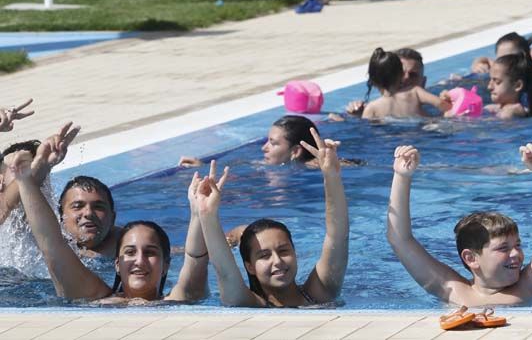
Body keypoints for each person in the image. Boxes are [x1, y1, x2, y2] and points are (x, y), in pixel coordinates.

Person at [11, 125, 217, 302]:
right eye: (129, 252)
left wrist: (201, 214)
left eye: (151, 252)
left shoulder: (182, 298)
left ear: (165, 266)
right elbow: (52, 245)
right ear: (117, 265)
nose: (139, 260)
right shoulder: (95, 298)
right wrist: (26, 181)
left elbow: (196, 257)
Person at [386, 140, 532, 306]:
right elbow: (400, 240)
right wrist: (402, 177)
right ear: (471, 258)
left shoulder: (530, 285)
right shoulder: (453, 290)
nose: (516, 254)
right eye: (503, 248)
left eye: (517, 245)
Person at [198, 129, 348, 307]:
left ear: (295, 253)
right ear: (249, 266)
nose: (277, 261)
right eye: (264, 255)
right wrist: (207, 214)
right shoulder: (246, 303)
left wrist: (331, 176)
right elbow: (224, 270)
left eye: (284, 251)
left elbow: (337, 237)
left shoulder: (321, 291)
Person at [179, 114, 320, 168]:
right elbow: (241, 164)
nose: (264, 148)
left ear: (295, 151)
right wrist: (203, 167)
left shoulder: (316, 167)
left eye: (273, 143)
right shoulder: (272, 165)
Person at [362, 48, 450, 119]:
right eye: (403, 74)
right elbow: (446, 107)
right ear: (399, 76)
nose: (406, 78)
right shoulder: (415, 92)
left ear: (373, 83)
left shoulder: (371, 108)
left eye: (412, 75)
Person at [347, 48, 425, 116]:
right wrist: (358, 116)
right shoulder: (373, 109)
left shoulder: (432, 106)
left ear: (423, 82)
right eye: (400, 73)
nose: (405, 78)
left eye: (413, 75)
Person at [58, 175, 122, 258]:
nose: (88, 213)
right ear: (61, 218)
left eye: (98, 207)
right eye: (77, 206)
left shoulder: (131, 244)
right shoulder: (48, 248)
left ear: (112, 219)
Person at [485, 51, 532, 118]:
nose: (489, 87)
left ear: (517, 85)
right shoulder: (493, 108)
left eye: (497, 82)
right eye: (490, 80)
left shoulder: (514, 111)